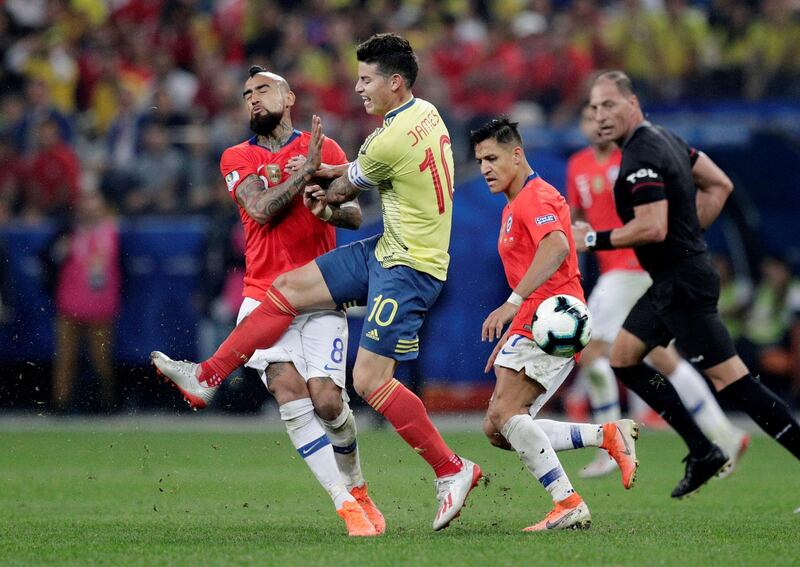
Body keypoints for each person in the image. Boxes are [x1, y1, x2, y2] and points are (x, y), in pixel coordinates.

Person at [152, 34, 482, 532]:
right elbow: (264, 208)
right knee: (284, 305)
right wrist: (320, 186)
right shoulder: (427, 114)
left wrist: (320, 180)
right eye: (246, 94)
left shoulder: (362, 143)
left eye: (366, 79)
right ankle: (208, 378)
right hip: (367, 255)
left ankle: (449, 469)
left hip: (406, 263)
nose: (358, 88)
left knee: (354, 388)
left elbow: (348, 194)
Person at [155, 67, 382, 537]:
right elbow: (259, 208)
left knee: (328, 401)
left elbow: (356, 214)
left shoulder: (327, 148)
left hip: (320, 290)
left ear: (289, 96)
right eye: (246, 94)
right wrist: (305, 172)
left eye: (263, 90)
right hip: (263, 292)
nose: (253, 99)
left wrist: (328, 207)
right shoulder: (236, 156)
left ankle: (357, 486)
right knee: (286, 388)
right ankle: (347, 508)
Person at [574, 70, 800, 499]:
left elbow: (653, 227)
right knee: (624, 359)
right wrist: (689, 232)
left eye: (610, 105)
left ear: (633, 103)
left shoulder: (641, 155)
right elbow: (720, 184)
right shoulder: (667, 138)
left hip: (683, 284)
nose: (601, 115)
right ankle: (702, 450)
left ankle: (711, 445)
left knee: (736, 383)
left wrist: (592, 239)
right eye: (595, 107)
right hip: (673, 278)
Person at [472, 117, 638, 532]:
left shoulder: (535, 197)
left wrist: (511, 305)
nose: (485, 168)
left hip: (553, 319)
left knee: (507, 412)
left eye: (492, 157)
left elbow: (558, 246)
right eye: (479, 161)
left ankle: (567, 501)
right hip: (532, 319)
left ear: (517, 154)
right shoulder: (513, 205)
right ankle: (606, 436)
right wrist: (512, 328)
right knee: (497, 428)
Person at [566, 102, 749, 479]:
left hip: (633, 269)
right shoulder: (578, 166)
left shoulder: (635, 157)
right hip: (615, 273)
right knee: (663, 358)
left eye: (600, 116)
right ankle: (725, 434)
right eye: (587, 118)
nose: (594, 124)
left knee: (593, 352)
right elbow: (576, 224)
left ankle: (609, 446)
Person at [49, 191, 121, 412]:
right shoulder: (67, 233)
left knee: (102, 359)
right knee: (65, 359)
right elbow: (49, 259)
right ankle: (61, 404)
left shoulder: (111, 234)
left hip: (101, 306)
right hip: (69, 306)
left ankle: (105, 404)